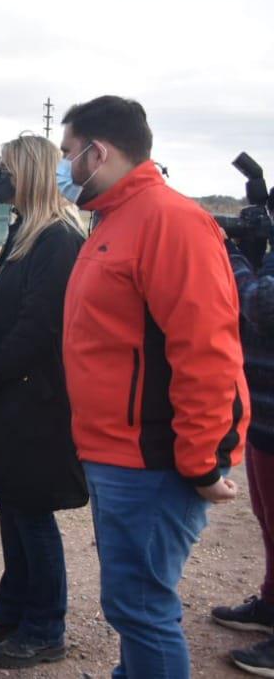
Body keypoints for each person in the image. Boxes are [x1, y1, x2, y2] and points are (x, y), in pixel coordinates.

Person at [60, 95, 249, 678]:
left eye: (68, 153)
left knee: (141, 606)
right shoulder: (116, 218)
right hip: (116, 453)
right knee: (131, 602)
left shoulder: (170, 221)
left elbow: (208, 350)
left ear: (99, 151)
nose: (64, 167)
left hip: (152, 460)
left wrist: (200, 462)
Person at [0, 134, 87, 669]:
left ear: (27, 174)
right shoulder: (23, 234)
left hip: (38, 404)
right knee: (11, 505)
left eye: (5, 168)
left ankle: (45, 627)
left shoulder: (58, 240)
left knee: (31, 513)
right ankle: (12, 610)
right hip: (9, 399)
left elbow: (40, 329)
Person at [211, 229, 274, 676]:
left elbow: (261, 305)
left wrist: (230, 255)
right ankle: (271, 602)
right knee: (266, 518)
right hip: (265, 412)